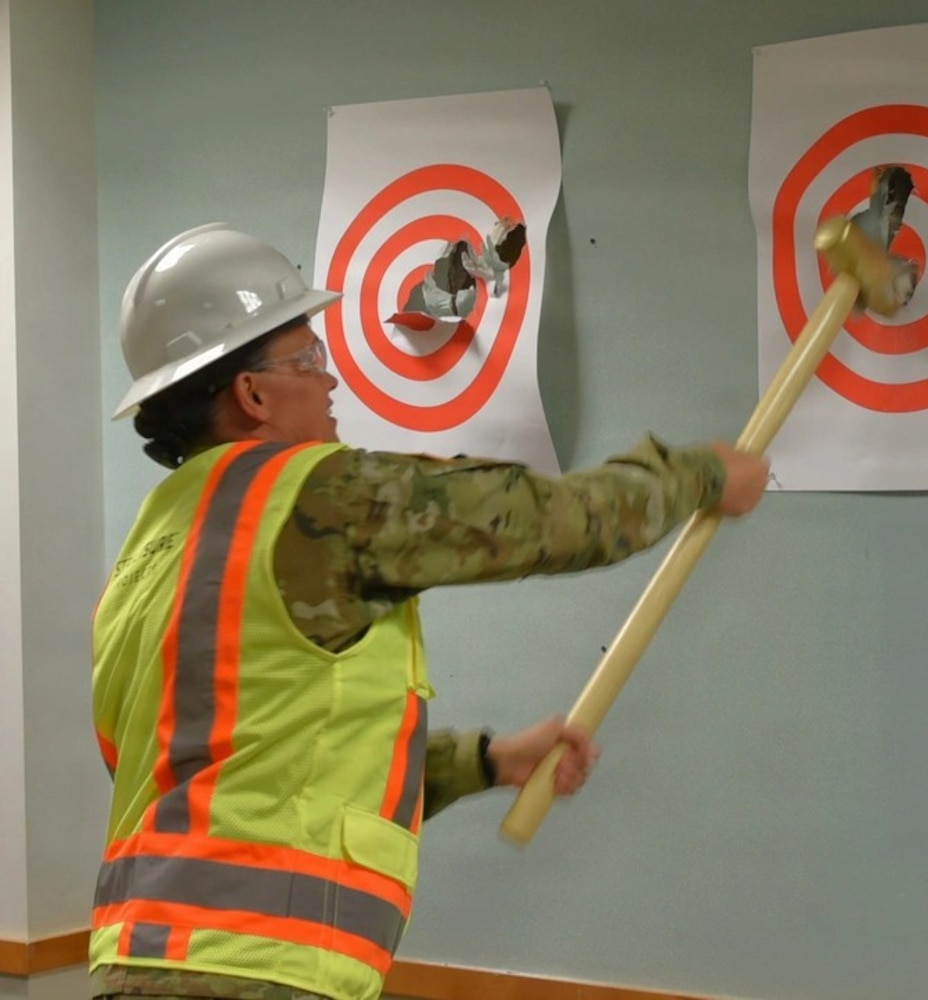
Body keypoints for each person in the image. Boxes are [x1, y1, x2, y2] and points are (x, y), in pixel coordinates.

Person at [90, 223, 770, 1000]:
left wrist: (482, 760)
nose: (332, 383)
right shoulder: (321, 495)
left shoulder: (144, 558)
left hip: (134, 964)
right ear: (251, 394)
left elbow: (253, 765)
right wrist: (698, 475)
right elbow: (549, 521)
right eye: (310, 360)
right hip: (262, 973)